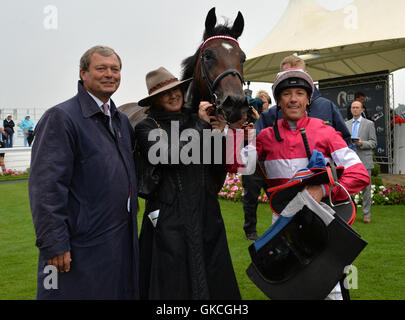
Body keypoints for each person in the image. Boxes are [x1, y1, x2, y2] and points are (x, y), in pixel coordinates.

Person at [238, 69, 370, 300]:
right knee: (289, 291)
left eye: (300, 93)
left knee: (332, 292)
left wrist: (323, 189)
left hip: (322, 224)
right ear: (279, 100)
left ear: (308, 99)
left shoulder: (326, 132)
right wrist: (229, 128)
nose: (293, 99)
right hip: (283, 227)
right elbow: (238, 165)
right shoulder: (265, 137)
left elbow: (359, 174)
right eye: (287, 93)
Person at [28, 45, 139, 299]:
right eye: (101, 68)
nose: (110, 74)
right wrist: (53, 244)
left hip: (118, 244)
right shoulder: (61, 117)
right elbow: (46, 188)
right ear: (83, 74)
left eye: (115, 69)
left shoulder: (120, 120)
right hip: (79, 248)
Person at [135, 66, 240, 300]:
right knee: (173, 281)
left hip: (204, 211)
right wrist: (202, 127)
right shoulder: (147, 127)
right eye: (165, 93)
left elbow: (215, 165)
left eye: (176, 90)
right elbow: (169, 157)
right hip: (169, 216)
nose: (173, 96)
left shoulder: (195, 119)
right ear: (155, 100)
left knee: (212, 274)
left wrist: (218, 133)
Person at [255, 55, 352, 146]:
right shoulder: (270, 115)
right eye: (287, 75)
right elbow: (255, 147)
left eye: (298, 74)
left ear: (306, 75)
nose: (293, 79)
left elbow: (345, 141)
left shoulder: (327, 107)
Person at [242, 90, 272, 241]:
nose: (259, 104)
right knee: (250, 199)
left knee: (276, 196)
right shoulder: (245, 119)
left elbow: (270, 137)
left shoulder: (273, 117)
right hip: (250, 163)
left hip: (269, 163)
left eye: (263, 101)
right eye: (257, 101)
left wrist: (259, 119)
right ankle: (250, 230)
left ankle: (281, 226)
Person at [346, 101, 377, 223]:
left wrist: (361, 143)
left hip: (364, 160)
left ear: (362, 110)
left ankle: (366, 215)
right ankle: (349, 213)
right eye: (353, 107)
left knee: (366, 189)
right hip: (350, 161)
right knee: (348, 189)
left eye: (357, 108)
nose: (355, 110)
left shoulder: (369, 124)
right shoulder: (346, 124)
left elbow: (373, 143)